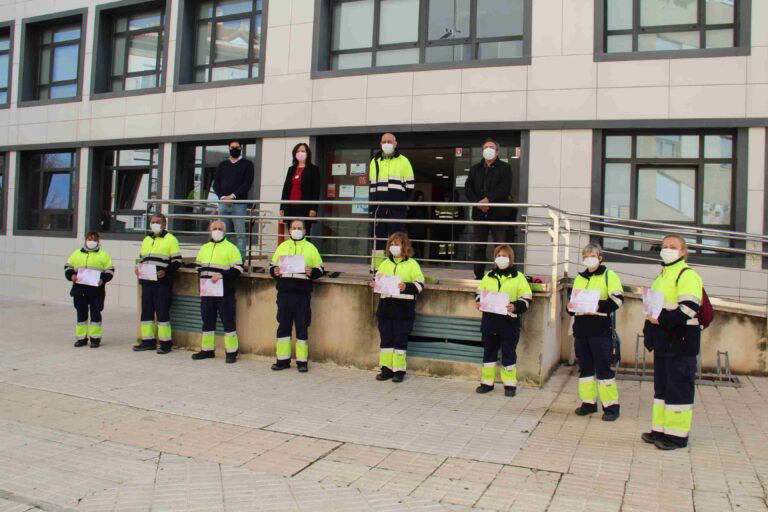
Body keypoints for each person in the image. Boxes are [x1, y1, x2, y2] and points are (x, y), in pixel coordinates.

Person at [641, 235, 703, 450]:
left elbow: (689, 307)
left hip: (681, 342)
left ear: (683, 251)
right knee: (662, 389)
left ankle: (676, 437)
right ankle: (660, 430)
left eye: (673, 247)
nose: (667, 250)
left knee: (679, 388)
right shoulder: (663, 275)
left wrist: (661, 319)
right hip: (664, 342)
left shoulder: (687, 275)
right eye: (664, 246)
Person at [568, 243, 624, 421]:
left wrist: (598, 305)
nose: (589, 258)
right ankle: (588, 403)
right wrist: (571, 307)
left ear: (600, 257)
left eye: (593, 255)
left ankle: (611, 407)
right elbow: (573, 302)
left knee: (603, 369)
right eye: (586, 256)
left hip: (600, 329)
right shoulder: (580, 278)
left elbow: (618, 300)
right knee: (585, 369)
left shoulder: (609, 275)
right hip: (581, 329)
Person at [475, 245, 532, 397]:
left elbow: (526, 297)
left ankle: (510, 385)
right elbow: (479, 292)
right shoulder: (488, 275)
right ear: (495, 258)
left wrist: (516, 306)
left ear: (511, 259)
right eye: (499, 255)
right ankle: (487, 383)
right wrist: (479, 301)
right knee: (489, 353)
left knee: (508, 354)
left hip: (509, 323)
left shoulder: (518, 277)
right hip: (490, 322)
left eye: (505, 255)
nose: (501, 258)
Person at [269, 219, 324, 372]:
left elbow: (320, 269)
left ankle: (302, 362)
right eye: (294, 228)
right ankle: (282, 360)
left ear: (305, 231)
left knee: (302, 327)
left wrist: (311, 271)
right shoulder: (282, 246)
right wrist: (274, 272)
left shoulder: (311, 248)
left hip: (302, 295)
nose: (296, 230)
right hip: (284, 294)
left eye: (299, 228)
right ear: (289, 230)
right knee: (283, 327)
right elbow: (272, 267)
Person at [370, 232, 424, 383]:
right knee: (386, 339)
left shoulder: (412, 264)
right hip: (386, 308)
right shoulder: (384, 263)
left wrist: (405, 286)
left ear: (404, 246)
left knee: (400, 339)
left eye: (397, 244)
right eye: (392, 244)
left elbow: (420, 285)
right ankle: (386, 369)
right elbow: (377, 279)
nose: (394, 247)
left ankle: (399, 371)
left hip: (404, 309)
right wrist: (374, 284)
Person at [191, 220, 244, 364]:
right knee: (207, 320)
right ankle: (207, 350)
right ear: (210, 230)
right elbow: (197, 265)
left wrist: (222, 275)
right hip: (207, 291)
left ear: (225, 231)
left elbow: (238, 269)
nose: (217, 230)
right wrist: (204, 272)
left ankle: (232, 352)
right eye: (214, 228)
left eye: (220, 228)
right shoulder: (204, 248)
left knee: (228, 322)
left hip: (224, 292)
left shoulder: (231, 248)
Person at [133, 213, 182, 354]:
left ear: (164, 224)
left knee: (162, 311)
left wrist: (165, 272)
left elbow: (177, 261)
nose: (154, 224)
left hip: (162, 282)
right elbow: (142, 259)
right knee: (146, 312)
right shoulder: (147, 239)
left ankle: (166, 343)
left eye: (157, 222)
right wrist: (138, 268)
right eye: (152, 221)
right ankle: (148, 341)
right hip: (147, 281)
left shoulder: (171, 239)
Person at [465, 139, 513, 280]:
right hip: (480, 214)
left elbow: (504, 188)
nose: (488, 149)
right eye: (485, 147)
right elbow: (468, 189)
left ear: (497, 151)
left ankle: (502, 273)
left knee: (500, 247)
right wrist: (479, 203)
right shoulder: (475, 169)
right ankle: (478, 276)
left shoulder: (504, 168)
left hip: (498, 214)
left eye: (491, 147)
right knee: (479, 246)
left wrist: (488, 200)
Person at [369, 133, 414, 270]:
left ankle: (397, 269)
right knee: (378, 241)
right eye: (384, 141)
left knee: (397, 241)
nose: (386, 144)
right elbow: (372, 186)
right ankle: (377, 271)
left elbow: (410, 186)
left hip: (397, 209)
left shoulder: (403, 161)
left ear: (395, 144)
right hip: (379, 209)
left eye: (389, 141)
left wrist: (398, 200)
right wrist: (372, 208)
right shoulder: (375, 161)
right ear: (380, 144)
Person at [64, 232, 115, 348]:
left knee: (95, 314)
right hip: (79, 290)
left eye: (94, 239)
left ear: (98, 241)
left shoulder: (104, 255)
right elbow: (68, 267)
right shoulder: (76, 253)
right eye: (89, 238)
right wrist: (71, 275)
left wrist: (103, 279)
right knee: (81, 314)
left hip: (96, 291)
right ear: (85, 239)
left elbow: (110, 271)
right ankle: (81, 338)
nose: (91, 241)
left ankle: (95, 339)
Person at [213, 140, 255, 257]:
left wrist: (232, 196)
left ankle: (240, 262)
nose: (235, 149)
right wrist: (222, 197)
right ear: (229, 148)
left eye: (237, 147)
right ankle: (222, 258)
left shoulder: (247, 164)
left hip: (239, 204)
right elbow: (216, 183)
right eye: (232, 147)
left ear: (241, 148)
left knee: (240, 235)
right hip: (223, 204)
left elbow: (247, 184)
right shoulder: (222, 165)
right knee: (221, 233)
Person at [279, 143, 321, 235]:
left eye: (303, 151)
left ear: (308, 153)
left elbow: (316, 190)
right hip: (290, 208)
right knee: (292, 233)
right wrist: (282, 207)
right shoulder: (291, 169)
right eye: (298, 151)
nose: (300, 153)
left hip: (305, 208)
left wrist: (313, 208)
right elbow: (286, 189)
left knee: (305, 234)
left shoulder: (313, 169)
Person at [406, 190, 428, 259]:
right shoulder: (413, 206)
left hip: (420, 229)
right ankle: (414, 258)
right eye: (419, 198)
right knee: (414, 245)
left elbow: (426, 218)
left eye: (421, 198)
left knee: (421, 245)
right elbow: (409, 216)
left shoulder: (424, 207)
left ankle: (420, 258)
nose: (420, 200)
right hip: (413, 229)